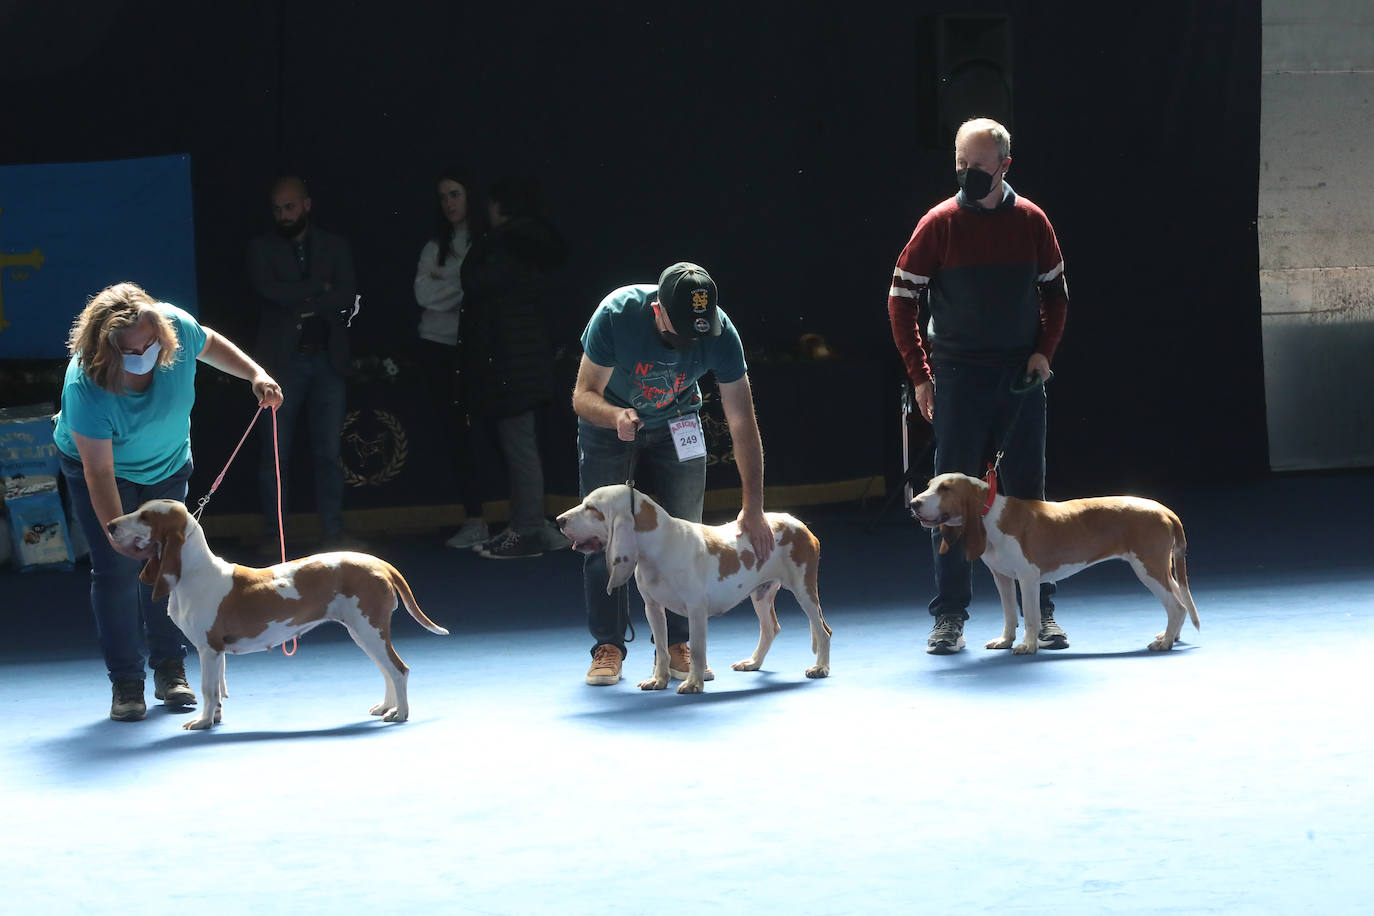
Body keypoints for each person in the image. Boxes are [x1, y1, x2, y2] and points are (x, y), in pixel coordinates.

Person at [54, 282, 283, 721]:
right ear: (106, 350)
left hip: (168, 465)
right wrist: (115, 532)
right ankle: (126, 681)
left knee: (169, 564)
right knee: (118, 568)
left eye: (150, 343)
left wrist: (256, 373)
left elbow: (210, 342)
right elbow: (98, 471)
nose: (143, 351)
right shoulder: (84, 385)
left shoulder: (173, 326)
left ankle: (170, 668)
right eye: (131, 349)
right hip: (106, 472)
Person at [887, 116, 1070, 655]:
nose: (967, 173)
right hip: (959, 376)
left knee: (1028, 496)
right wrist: (921, 373)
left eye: (978, 166)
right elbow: (901, 299)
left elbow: (1056, 296)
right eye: (960, 165)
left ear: (1005, 167)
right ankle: (949, 616)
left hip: (1018, 376)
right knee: (949, 502)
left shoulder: (1032, 221)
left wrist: (1043, 352)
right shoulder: (939, 223)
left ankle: (1044, 613)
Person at [572, 262, 775, 685]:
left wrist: (753, 509)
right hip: (611, 422)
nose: (688, 345)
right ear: (657, 311)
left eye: (697, 335)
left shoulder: (721, 332)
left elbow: (742, 422)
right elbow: (582, 395)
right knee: (603, 536)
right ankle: (608, 644)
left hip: (680, 420)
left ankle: (679, 643)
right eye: (680, 333)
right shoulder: (616, 314)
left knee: (687, 535)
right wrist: (615, 417)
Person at [247, 175, 362, 552]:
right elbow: (270, 292)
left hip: (327, 361)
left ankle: (333, 533)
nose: (283, 215)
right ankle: (273, 534)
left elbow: (346, 293)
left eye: (290, 207)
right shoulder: (261, 248)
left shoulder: (335, 246)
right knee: (275, 456)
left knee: (328, 453)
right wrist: (319, 288)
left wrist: (305, 297)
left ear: (307, 205)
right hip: (283, 364)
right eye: (277, 209)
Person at [457, 175, 570, 559]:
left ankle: (526, 529)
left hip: (510, 367)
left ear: (499, 207)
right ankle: (534, 525)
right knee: (525, 448)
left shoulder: (502, 250)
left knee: (520, 448)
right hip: (526, 363)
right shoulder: (535, 247)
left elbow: (475, 287)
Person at [413, 165, 491, 550]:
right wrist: (460, 285)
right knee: (453, 435)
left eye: (455, 194)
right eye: (442, 196)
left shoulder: (485, 242)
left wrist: (455, 283)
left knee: (484, 434)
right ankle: (473, 519)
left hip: (476, 351)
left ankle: (497, 519)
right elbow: (424, 297)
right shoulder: (433, 246)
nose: (448, 203)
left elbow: (477, 289)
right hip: (437, 348)